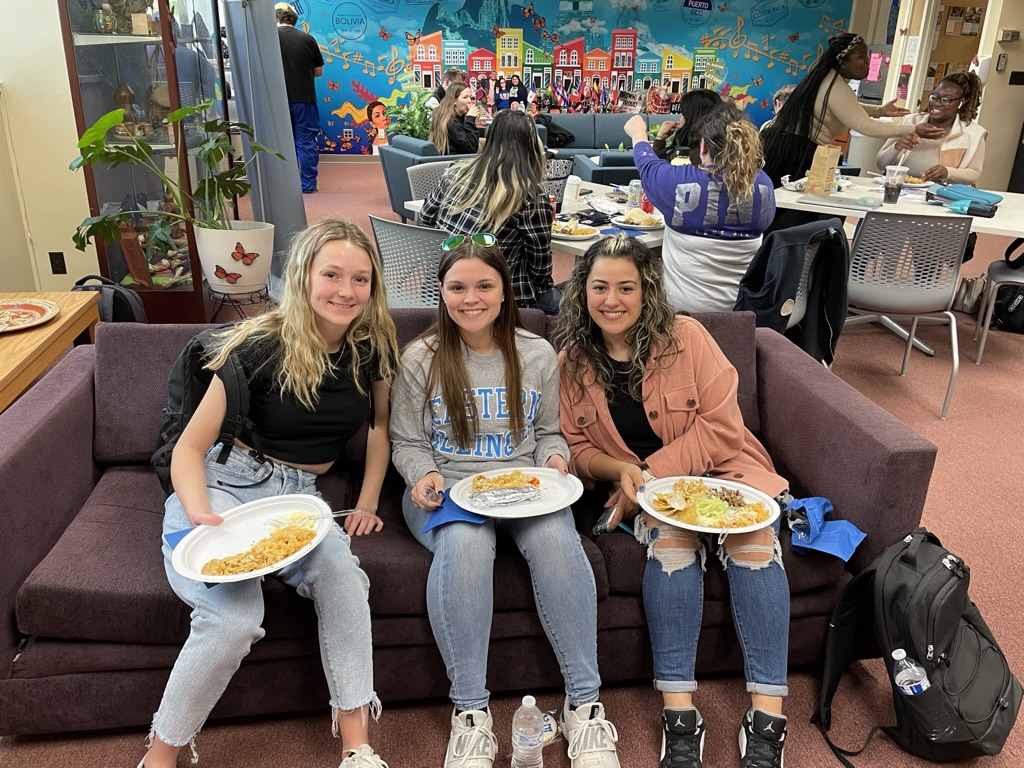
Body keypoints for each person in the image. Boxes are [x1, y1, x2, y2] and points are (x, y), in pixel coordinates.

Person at [138, 219, 398, 768]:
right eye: (331, 274)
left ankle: (357, 746)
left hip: (298, 498)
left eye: (360, 279)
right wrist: (198, 511)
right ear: (303, 275)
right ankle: (159, 758)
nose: (346, 291)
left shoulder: (371, 347)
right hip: (225, 485)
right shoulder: (256, 345)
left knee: (345, 580)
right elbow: (188, 450)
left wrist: (369, 500)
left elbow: (378, 426)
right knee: (233, 620)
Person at [555, 235, 792, 768]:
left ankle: (768, 717)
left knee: (754, 545)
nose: (611, 300)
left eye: (626, 287)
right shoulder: (570, 361)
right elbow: (575, 447)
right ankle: (681, 717)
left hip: (723, 475)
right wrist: (620, 471)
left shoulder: (687, 337)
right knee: (672, 547)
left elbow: (725, 429)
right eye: (599, 287)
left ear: (647, 292)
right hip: (649, 503)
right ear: (582, 292)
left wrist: (650, 471)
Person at [390, 236, 622, 768]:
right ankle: (470, 714)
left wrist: (556, 463)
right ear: (441, 292)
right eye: (457, 287)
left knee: (560, 542)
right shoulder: (421, 358)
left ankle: (584, 706)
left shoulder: (536, 353)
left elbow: (549, 435)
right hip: (448, 487)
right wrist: (423, 474)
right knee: (466, 545)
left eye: (483, 286)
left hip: (522, 488)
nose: (470, 298)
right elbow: (407, 441)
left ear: (504, 291)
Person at [624, 106, 775, 312]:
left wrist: (638, 133)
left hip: (680, 312)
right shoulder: (765, 184)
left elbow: (647, 164)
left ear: (703, 147)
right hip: (741, 312)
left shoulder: (679, 181)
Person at [418, 109, 560, 314]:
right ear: (531, 145)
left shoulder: (456, 171)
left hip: (441, 288)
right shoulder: (530, 195)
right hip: (502, 300)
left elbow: (424, 220)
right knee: (573, 305)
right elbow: (540, 269)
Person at [760, 32, 944, 188]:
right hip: (792, 151)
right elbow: (866, 126)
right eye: (860, 57)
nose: (867, 62)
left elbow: (843, 107)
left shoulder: (827, 79)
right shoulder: (835, 86)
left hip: (784, 145)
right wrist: (913, 128)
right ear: (842, 62)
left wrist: (879, 111)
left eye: (867, 55)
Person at [876, 72, 986, 184]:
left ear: (961, 103)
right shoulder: (910, 122)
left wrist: (948, 172)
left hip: (940, 195)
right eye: (934, 97)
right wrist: (897, 147)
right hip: (899, 188)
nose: (937, 103)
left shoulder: (973, 134)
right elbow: (881, 164)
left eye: (946, 100)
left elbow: (974, 173)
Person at [276, 2, 325, 194]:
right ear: (294, 19)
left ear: (275, 18)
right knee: (306, 143)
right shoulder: (308, 39)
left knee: (279, 144)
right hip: (304, 100)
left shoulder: (268, 39)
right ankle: (308, 185)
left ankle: (282, 187)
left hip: (276, 102)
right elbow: (318, 72)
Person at [649, 89, 720, 163]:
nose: (680, 118)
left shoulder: (687, 156)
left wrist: (659, 138)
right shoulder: (720, 148)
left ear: (690, 117)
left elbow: (654, 168)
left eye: (682, 113)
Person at [428, 83, 483, 155]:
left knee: (490, 142)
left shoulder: (445, 115)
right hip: (456, 160)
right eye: (465, 97)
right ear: (454, 100)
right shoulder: (452, 122)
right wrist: (470, 119)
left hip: (453, 156)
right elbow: (471, 148)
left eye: (470, 97)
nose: (469, 101)